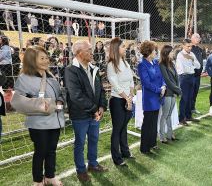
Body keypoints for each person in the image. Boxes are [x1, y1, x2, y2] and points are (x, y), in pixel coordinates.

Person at [14, 46, 65, 186]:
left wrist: (60, 102)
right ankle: (37, 180)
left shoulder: (51, 76)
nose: (46, 61)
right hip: (38, 123)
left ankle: (50, 176)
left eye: (47, 58)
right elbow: (18, 101)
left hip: (55, 121)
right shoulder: (24, 78)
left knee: (52, 150)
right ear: (31, 60)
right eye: (42, 58)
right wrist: (38, 104)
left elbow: (61, 94)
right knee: (41, 150)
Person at [64, 40, 108, 182]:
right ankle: (81, 170)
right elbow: (76, 95)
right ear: (79, 53)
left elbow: (101, 90)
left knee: (94, 139)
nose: (92, 52)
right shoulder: (70, 70)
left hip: (95, 113)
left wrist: (101, 106)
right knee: (80, 142)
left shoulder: (93, 68)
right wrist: (94, 109)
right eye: (89, 50)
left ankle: (93, 164)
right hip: (80, 115)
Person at [107, 37, 135, 166]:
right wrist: (126, 97)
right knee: (117, 129)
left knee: (124, 127)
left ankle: (125, 152)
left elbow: (131, 80)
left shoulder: (125, 62)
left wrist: (131, 94)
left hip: (128, 99)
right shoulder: (111, 64)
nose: (126, 48)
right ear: (116, 48)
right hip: (117, 101)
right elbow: (115, 84)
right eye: (123, 46)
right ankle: (116, 158)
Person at [138, 41, 166, 154]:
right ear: (149, 52)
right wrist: (159, 90)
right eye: (155, 50)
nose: (156, 52)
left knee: (154, 122)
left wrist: (164, 85)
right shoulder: (142, 65)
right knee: (148, 123)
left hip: (158, 97)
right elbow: (146, 83)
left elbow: (161, 77)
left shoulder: (155, 63)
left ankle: (153, 143)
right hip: (150, 99)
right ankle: (144, 147)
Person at [159, 45, 182, 143]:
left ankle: (170, 134)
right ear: (166, 53)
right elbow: (167, 81)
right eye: (171, 52)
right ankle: (161, 136)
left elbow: (177, 78)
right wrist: (178, 90)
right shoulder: (161, 65)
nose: (173, 53)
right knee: (165, 115)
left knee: (169, 115)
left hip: (173, 92)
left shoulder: (172, 63)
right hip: (168, 92)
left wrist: (177, 89)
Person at [176, 39, 200, 126]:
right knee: (184, 98)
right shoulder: (180, 55)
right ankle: (181, 118)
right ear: (183, 46)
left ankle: (188, 116)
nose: (190, 48)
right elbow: (183, 69)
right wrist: (191, 65)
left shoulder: (192, 54)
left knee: (190, 98)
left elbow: (198, 66)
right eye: (188, 46)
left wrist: (192, 59)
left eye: (191, 46)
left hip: (191, 77)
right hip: (184, 78)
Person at [190, 33, 205, 114]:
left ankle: (193, 108)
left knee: (195, 92)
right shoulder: (189, 48)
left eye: (199, 37)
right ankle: (188, 109)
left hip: (198, 75)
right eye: (196, 37)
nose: (198, 39)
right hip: (191, 75)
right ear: (192, 39)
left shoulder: (199, 49)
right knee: (190, 92)